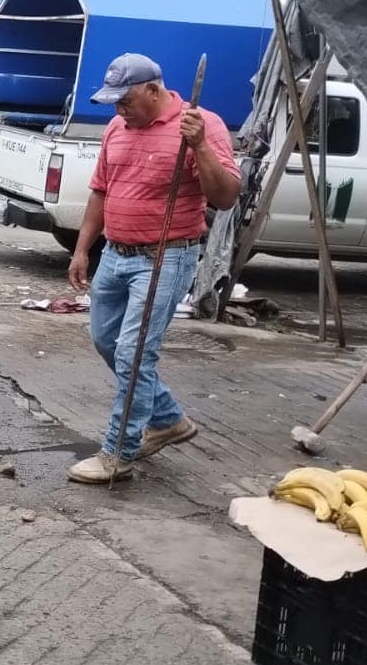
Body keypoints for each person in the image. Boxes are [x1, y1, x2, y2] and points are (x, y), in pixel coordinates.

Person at [64, 53, 239, 484]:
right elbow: (101, 191)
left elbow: (227, 196)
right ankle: (168, 421)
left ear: (153, 91)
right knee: (107, 341)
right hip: (115, 254)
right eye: (113, 104)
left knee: (134, 352)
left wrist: (198, 146)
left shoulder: (202, 125)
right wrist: (82, 249)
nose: (119, 111)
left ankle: (117, 453)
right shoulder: (116, 128)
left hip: (166, 255)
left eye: (125, 101)